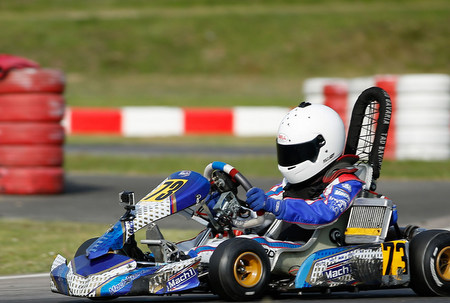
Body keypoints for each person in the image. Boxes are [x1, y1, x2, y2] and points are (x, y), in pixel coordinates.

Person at [246, 102, 364, 228]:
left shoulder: (346, 183)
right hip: (290, 243)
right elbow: (268, 200)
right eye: (287, 153)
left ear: (324, 147)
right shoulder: (290, 185)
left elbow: (325, 212)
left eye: (298, 152)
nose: (291, 159)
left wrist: (275, 206)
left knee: (247, 245)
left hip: (322, 245)